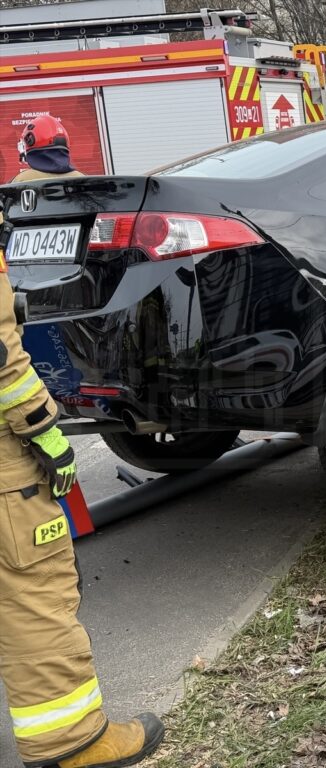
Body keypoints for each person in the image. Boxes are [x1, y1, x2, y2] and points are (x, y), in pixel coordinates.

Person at [1, 115, 164, 767]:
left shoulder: (17, 203)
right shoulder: (76, 193)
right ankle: (72, 742)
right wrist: (45, 432)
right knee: (35, 590)